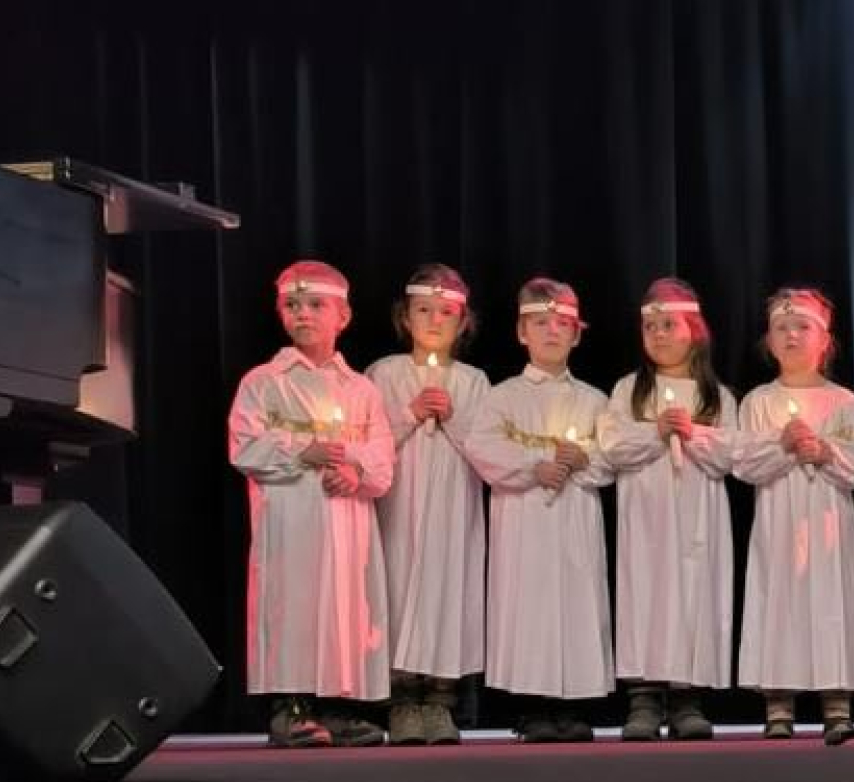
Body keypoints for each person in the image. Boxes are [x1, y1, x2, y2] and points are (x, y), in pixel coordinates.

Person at [226, 259, 394, 746]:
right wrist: (303, 450)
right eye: (292, 305)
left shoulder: (361, 389)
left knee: (346, 605)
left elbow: (382, 457)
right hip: (290, 515)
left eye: (316, 305)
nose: (302, 314)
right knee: (292, 601)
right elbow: (244, 447)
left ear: (343, 316)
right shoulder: (264, 382)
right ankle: (291, 705)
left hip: (345, 517)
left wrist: (355, 472)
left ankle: (338, 706)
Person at [462, 276, 614, 741]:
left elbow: (614, 456)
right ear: (521, 332)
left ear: (576, 334)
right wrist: (534, 467)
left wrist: (584, 461)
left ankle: (572, 706)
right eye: (540, 323)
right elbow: (481, 446)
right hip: (523, 518)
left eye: (562, 323)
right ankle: (531, 706)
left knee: (576, 601)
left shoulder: (594, 400)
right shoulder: (503, 396)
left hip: (575, 518)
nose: (552, 331)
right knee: (526, 603)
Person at [737, 287, 854, 736]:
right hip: (779, 522)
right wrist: (782, 446)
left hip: (827, 523)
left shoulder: (844, 402)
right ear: (769, 340)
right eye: (781, 328)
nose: (792, 335)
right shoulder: (758, 402)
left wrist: (827, 452)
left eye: (802, 327)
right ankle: (778, 701)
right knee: (779, 598)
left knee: (831, 598)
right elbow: (743, 463)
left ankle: (836, 697)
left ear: (825, 340)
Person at [599, 277, 739, 740]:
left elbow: (731, 456)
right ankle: (643, 698)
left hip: (698, 515)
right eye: (650, 327)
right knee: (646, 594)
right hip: (646, 516)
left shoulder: (717, 396)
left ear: (693, 331)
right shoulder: (628, 391)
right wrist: (655, 432)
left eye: (669, 325)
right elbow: (612, 446)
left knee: (694, 596)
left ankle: (687, 699)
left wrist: (693, 434)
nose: (658, 335)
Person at [368, 263, 486, 744]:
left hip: (452, 507)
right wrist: (409, 413)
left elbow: (487, 450)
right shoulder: (384, 374)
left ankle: (440, 700)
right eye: (424, 310)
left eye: (445, 313)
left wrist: (452, 418)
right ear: (405, 317)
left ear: (463, 322)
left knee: (445, 589)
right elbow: (368, 439)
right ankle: (400, 700)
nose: (434, 321)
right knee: (397, 586)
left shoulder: (473, 382)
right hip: (399, 503)